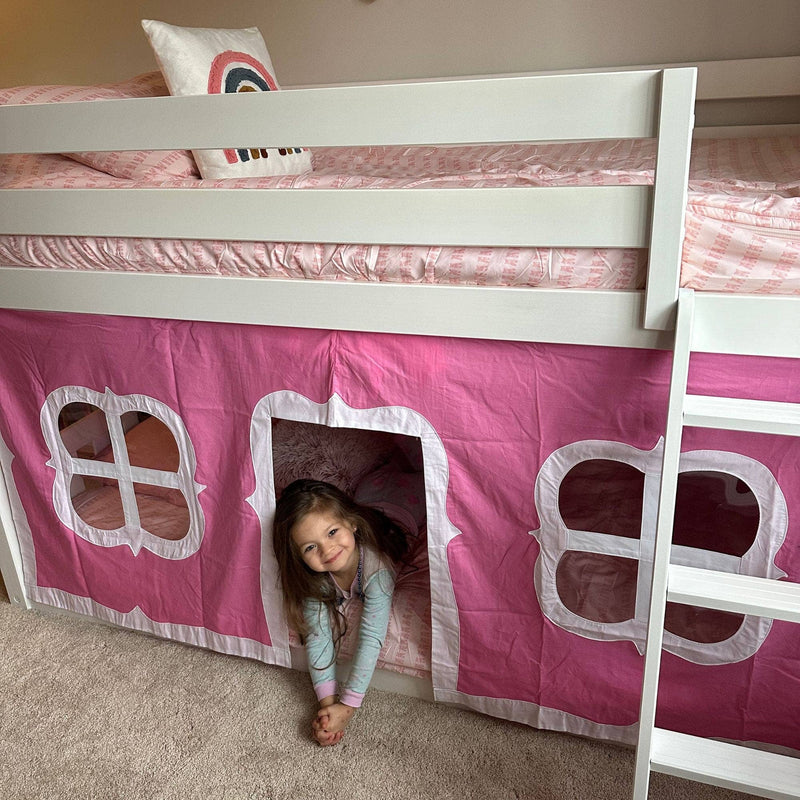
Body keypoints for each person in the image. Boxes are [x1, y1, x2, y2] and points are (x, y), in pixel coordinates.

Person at [273, 478, 411, 746]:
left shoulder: (377, 572)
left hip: (402, 510)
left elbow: (371, 638)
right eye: (310, 547)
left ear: (351, 524)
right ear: (298, 556)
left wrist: (348, 707)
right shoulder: (315, 576)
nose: (327, 550)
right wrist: (328, 706)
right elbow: (317, 635)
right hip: (374, 500)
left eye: (332, 532)